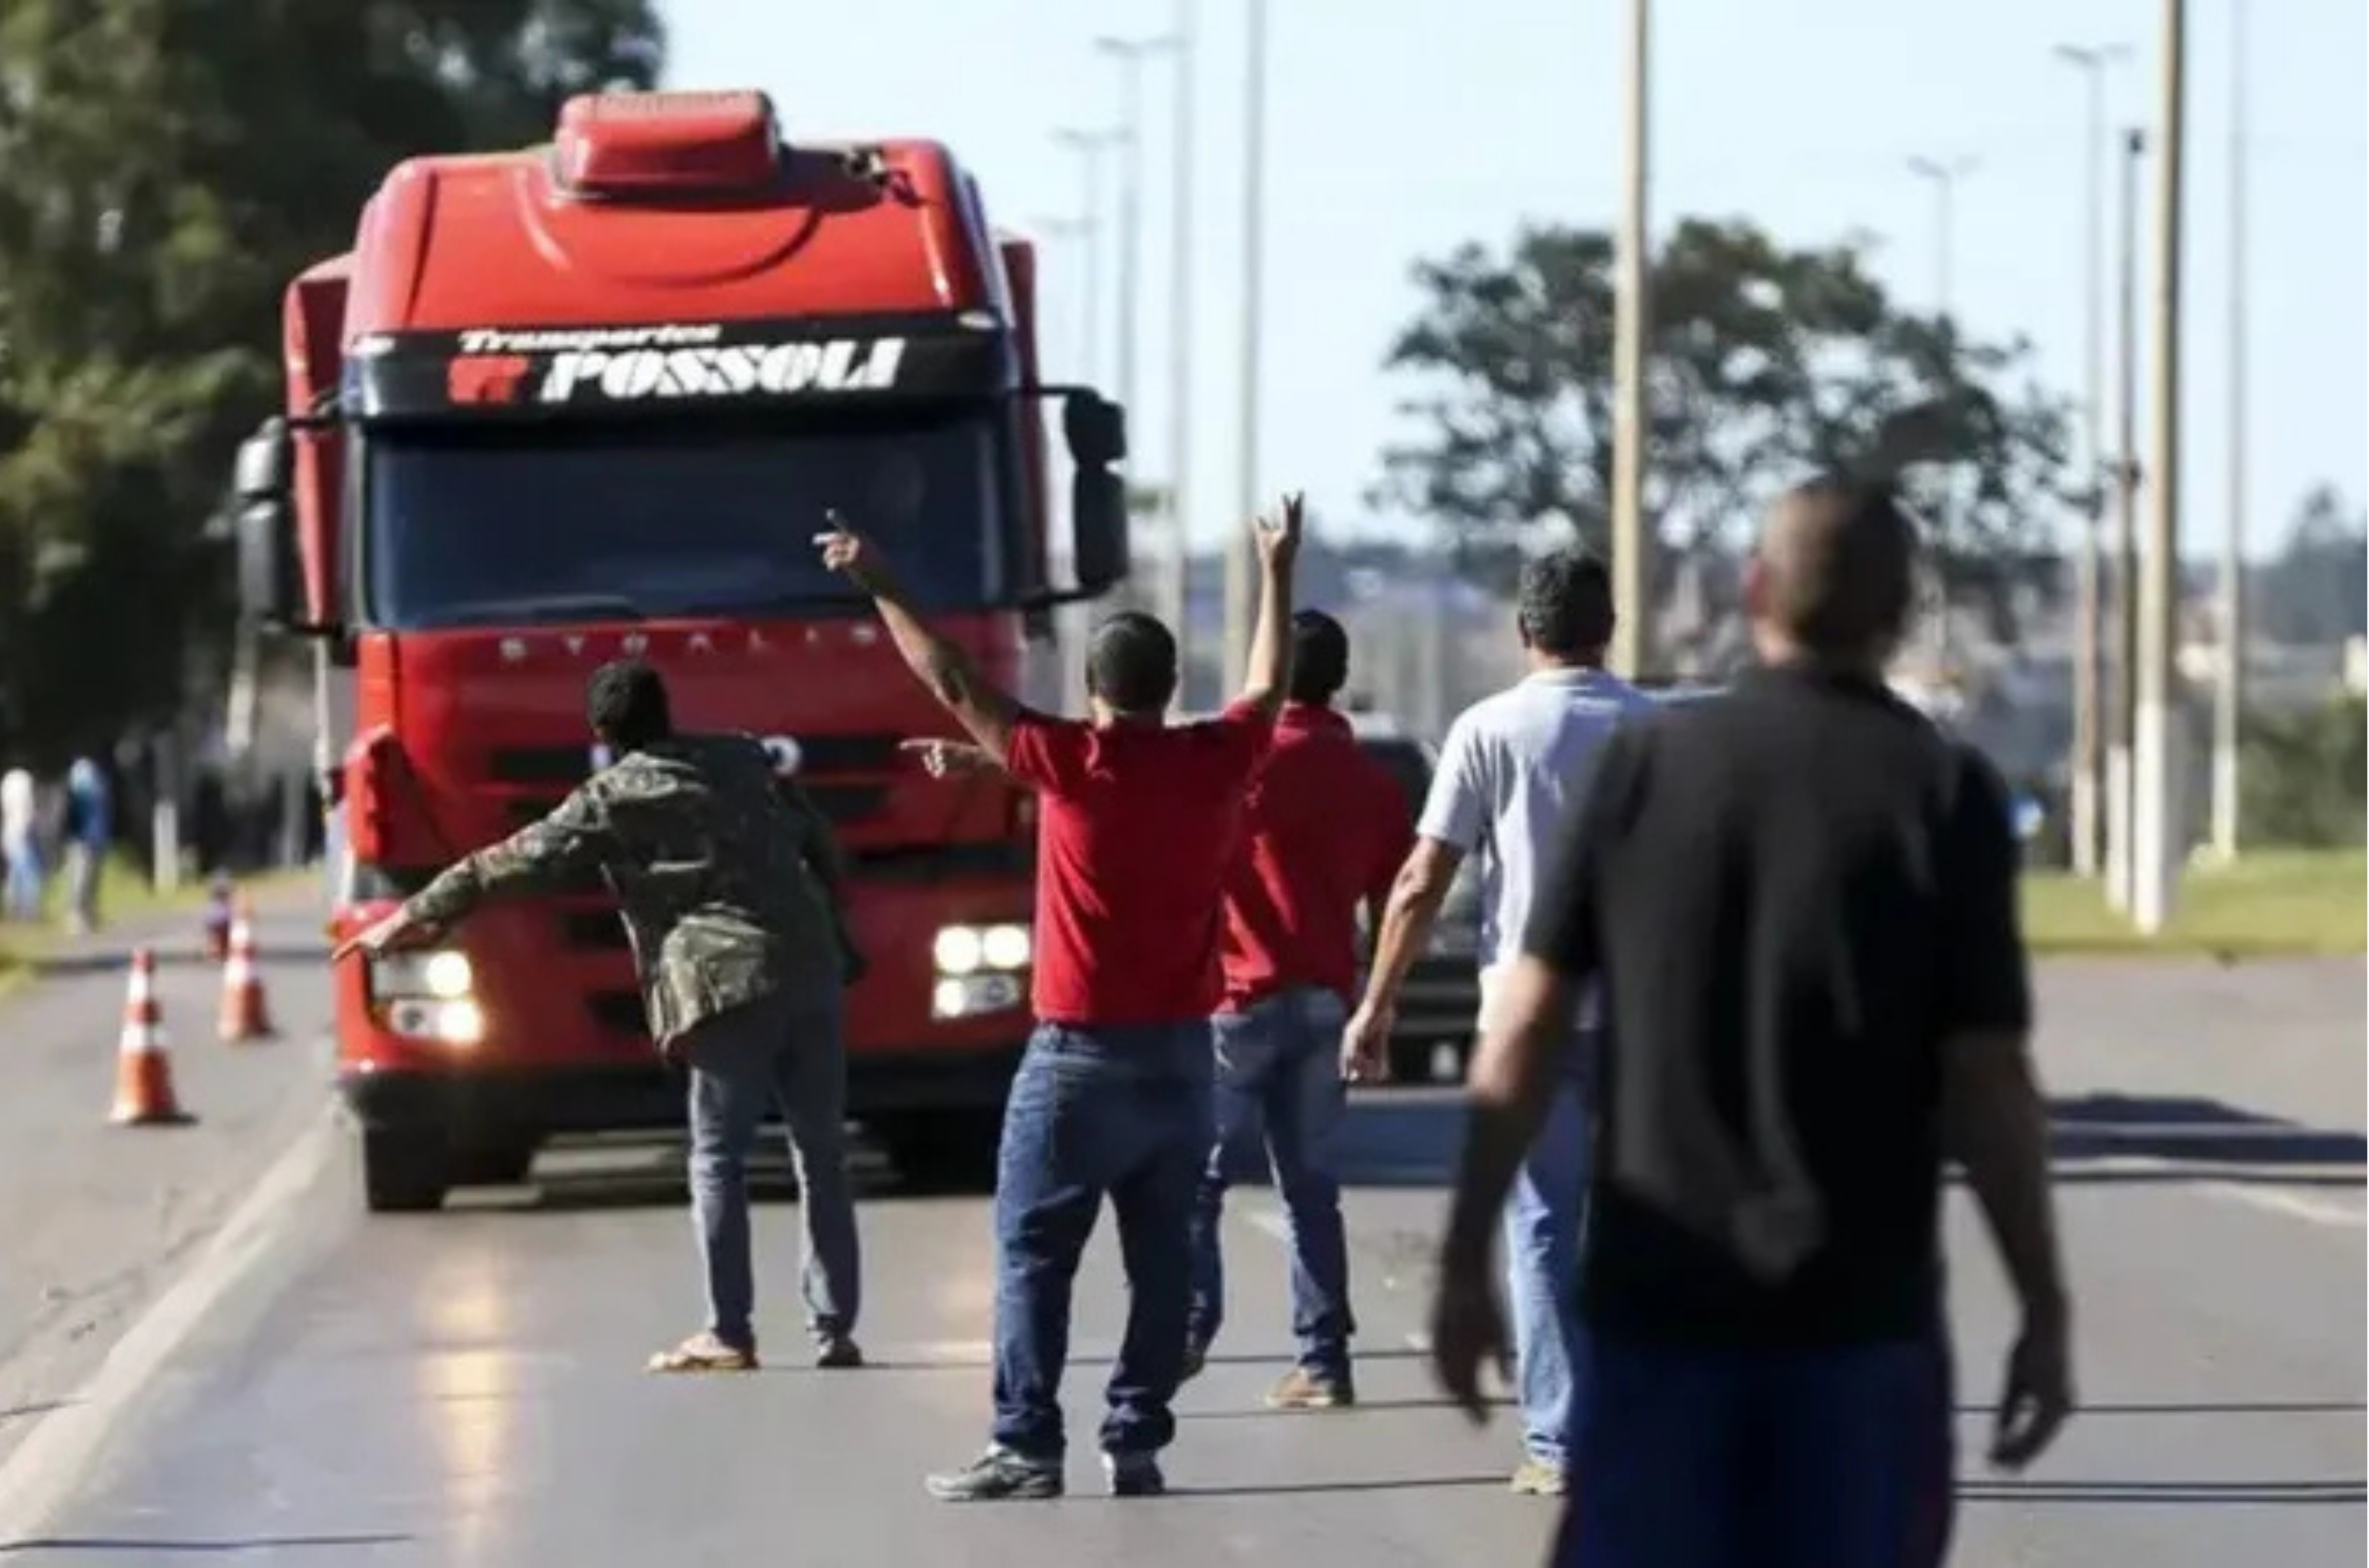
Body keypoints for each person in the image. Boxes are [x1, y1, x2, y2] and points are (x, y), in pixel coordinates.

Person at [1431, 480, 2073, 1567]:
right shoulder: (1939, 791)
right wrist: (2039, 1305)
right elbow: (1988, 1082)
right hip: (1858, 1325)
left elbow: (1527, 1026)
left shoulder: (1648, 768)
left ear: (1754, 589)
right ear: (1902, 609)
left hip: (1657, 1323)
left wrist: (1462, 1264)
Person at [817, 496, 1301, 1501]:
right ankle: (1135, 1435)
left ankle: (1027, 1443)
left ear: (1091, 694)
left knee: (1034, 1252)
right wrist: (1275, 566)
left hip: (1077, 1059)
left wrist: (879, 580)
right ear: (1169, 691)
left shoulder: (1071, 762)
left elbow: (947, 676)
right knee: (1161, 1260)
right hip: (1180, 1058)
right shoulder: (1213, 759)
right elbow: (1266, 683)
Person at [335, 660, 867, 1373]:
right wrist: (836, 930)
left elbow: (507, 862)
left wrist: (410, 916)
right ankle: (834, 1330)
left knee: (718, 1159)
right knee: (821, 1152)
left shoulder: (613, 796)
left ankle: (730, 1332)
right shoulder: (744, 758)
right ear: (667, 711)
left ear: (601, 733)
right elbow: (818, 843)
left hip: (721, 982)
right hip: (809, 966)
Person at [1343, 549, 1651, 1495]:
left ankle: (1561, 1446)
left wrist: (1378, 1001)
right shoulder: (1656, 732)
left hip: (1525, 1022)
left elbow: (1421, 877)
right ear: (1609, 627)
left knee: (1545, 1227)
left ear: (1526, 634)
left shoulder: (1489, 729)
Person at [1181, 609, 1412, 1409]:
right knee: (1310, 1187)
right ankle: (1324, 1363)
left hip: (1238, 998)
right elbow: (1397, 900)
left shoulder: (1239, 765)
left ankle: (1186, 1327)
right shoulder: (1373, 781)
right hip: (1326, 999)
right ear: (1339, 678)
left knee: (1200, 1182)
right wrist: (1378, 1001)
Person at [61, 756, 111, 934]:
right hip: (81, 842)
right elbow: (72, 822)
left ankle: (89, 917)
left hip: (93, 841)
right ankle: (77, 918)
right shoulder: (77, 797)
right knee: (80, 882)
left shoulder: (96, 794)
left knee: (89, 882)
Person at [1, 766, 40, 922]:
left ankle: (13, 909)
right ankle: (28, 911)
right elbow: (28, 811)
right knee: (29, 873)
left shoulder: (7, 783)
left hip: (10, 834)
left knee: (15, 874)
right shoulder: (24, 781)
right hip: (22, 834)